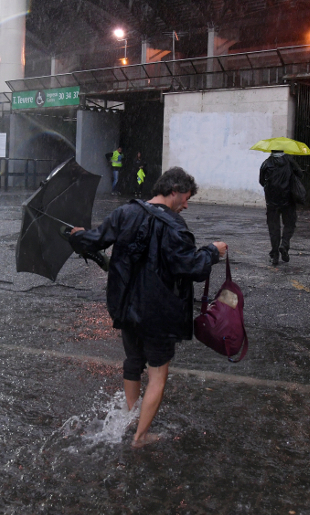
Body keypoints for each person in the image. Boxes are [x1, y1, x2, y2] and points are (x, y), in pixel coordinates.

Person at [69, 167, 228, 448]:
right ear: (174, 190)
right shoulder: (175, 226)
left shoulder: (126, 212)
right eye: (186, 198)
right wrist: (213, 251)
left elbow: (96, 239)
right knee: (158, 374)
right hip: (159, 314)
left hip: (126, 305)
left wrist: (77, 235)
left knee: (132, 361)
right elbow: (192, 267)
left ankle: (132, 417)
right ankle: (140, 437)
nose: (186, 205)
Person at [259, 150, 303, 266]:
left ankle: (274, 255)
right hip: (288, 200)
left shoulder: (266, 163)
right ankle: (284, 244)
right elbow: (300, 174)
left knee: (274, 228)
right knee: (290, 224)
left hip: (272, 201)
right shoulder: (289, 161)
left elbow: (261, 181)